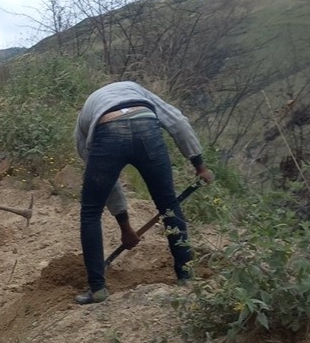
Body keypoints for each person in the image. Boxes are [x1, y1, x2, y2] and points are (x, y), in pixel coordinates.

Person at [74, 81, 214, 305]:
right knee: (168, 205)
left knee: (91, 212)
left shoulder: (84, 122)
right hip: (146, 125)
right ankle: (187, 277)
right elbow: (178, 122)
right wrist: (199, 165)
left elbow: (109, 185)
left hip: (108, 131)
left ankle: (98, 289)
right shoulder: (136, 89)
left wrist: (124, 226)